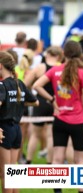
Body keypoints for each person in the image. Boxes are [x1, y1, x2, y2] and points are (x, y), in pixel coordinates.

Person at [33, 41, 83, 193]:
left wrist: (52, 99)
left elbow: (36, 85)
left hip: (59, 119)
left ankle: (57, 191)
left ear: (63, 54)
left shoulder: (55, 70)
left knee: (57, 158)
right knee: (81, 160)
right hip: (79, 121)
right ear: (79, 54)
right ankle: (82, 190)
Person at [0, 51, 39, 193]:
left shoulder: (2, 85)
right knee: (13, 173)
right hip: (16, 130)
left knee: (6, 174)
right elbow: (36, 103)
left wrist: (12, 103)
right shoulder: (20, 83)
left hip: (4, 130)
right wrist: (17, 103)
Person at [24, 46, 64, 164]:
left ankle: (28, 161)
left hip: (40, 102)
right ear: (59, 56)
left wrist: (31, 92)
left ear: (47, 54)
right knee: (51, 135)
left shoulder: (40, 67)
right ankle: (49, 163)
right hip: (56, 102)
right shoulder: (60, 68)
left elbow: (26, 83)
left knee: (35, 135)